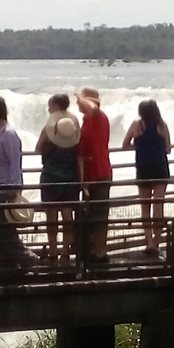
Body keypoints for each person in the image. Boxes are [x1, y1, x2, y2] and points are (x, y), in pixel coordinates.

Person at [0, 95, 37, 276]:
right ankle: (9, 263)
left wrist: (15, 189)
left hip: (6, 188)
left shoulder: (9, 134)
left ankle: (25, 257)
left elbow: (15, 162)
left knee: (2, 228)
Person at [124, 99, 173, 258]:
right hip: (160, 167)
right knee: (158, 206)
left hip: (143, 167)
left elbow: (125, 145)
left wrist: (139, 146)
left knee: (145, 207)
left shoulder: (136, 125)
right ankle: (157, 243)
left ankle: (149, 241)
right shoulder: (162, 125)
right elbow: (168, 149)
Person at [38, 96, 83, 265]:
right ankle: (65, 252)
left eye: (50, 106)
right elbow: (79, 155)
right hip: (70, 178)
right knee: (67, 215)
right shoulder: (73, 126)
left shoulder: (50, 129)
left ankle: (52, 250)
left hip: (50, 177)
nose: (49, 109)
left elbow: (37, 149)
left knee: (51, 217)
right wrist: (82, 179)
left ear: (56, 106)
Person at [76, 88, 113, 266]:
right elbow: (81, 154)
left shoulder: (99, 117)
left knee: (100, 215)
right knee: (90, 216)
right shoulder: (86, 121)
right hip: (90, 176)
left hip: (101, 172)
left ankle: (100, 251)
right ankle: (91, 251)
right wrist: (82, 179)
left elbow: (95, 109)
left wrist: (82, 98)